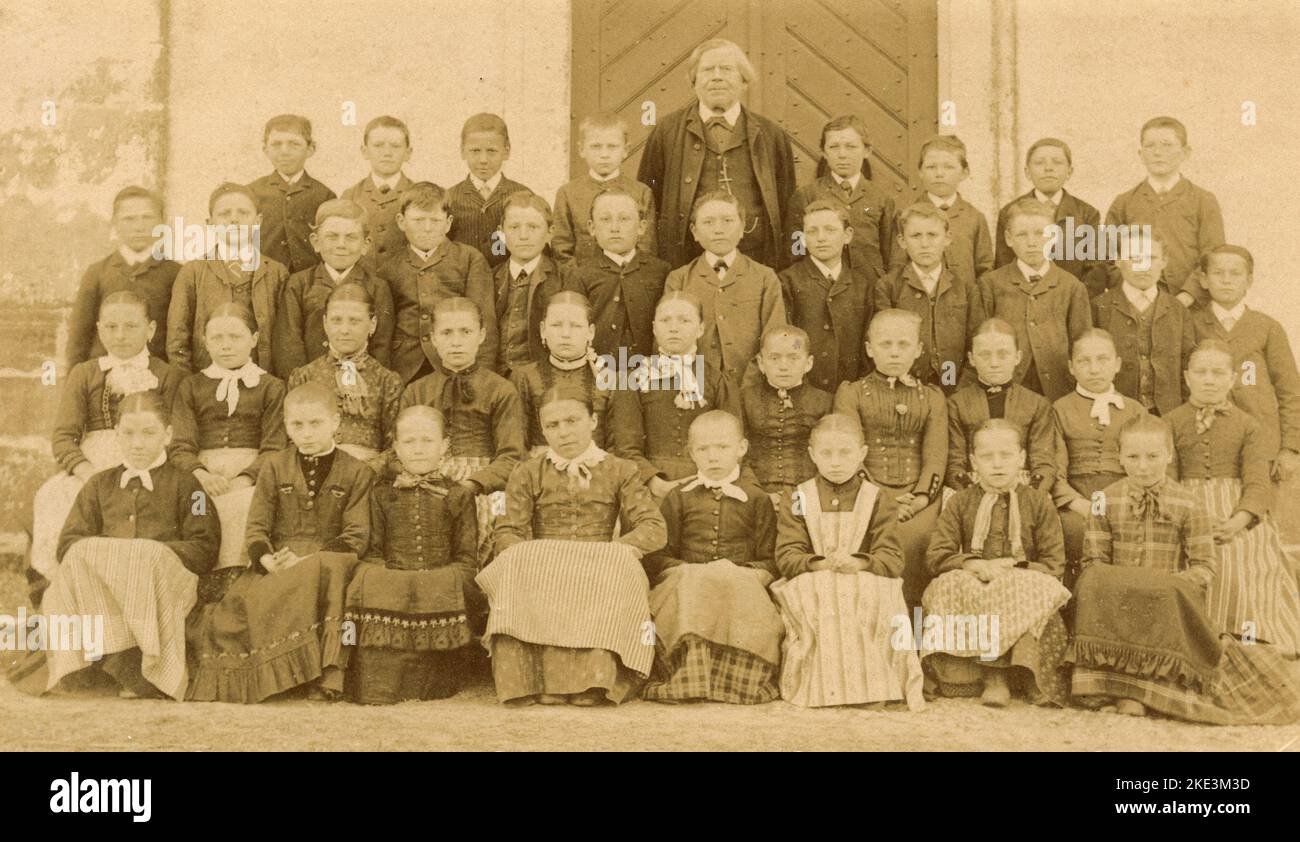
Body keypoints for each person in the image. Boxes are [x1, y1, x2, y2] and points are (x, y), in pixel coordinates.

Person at [1068, 415, 1300, 725]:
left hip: (1166, 606)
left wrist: (1165, 584)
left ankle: (1144, 691)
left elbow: (1204, 567)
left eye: (1152, 457)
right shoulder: (1104, 500)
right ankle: (1114, 684)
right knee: (1092, 583)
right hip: (1119, 603)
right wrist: (1130, 583)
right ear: (1120, 457)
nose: (1143, 466)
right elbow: (1094, 563)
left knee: (1166, 600)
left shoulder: (1189, 503)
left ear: (1168, 456)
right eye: (1133, 457)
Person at [13, 392, 219, 700]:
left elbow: (204, 546)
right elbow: (69, 543)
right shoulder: (99, 484)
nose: (138, 443)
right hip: (107, 591)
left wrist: (148, 553)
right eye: (129, 433)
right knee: (82, 555)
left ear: (168, 435)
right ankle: (94, 660)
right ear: (117, 435)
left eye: (149, 433)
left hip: (161, 587)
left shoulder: (189, 486)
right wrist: (115, 558)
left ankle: (140, 665)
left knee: (141, 556)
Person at [479, 385, 667, 705]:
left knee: (621, 567)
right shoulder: (527, 471)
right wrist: (533, 553)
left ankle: (593, 682)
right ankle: (536, 681)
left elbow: (654, 527)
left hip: (599, 561)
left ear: (593, 421)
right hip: (545, 562)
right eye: (553, 425)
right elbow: (508, 529)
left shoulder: (620, 469)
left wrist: (621, 549)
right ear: (542, 429)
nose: (563, 432)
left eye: (572, 421)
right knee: (514, 562)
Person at [187, 382, 374, 703]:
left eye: (316, 423)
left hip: (331, 560)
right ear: (286, 426)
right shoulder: (274, 466)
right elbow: (257, 527)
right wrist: (266, 559)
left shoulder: (358, 471)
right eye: (297, 424)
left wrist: (311, 559)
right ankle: (288, 677)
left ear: (335, 422)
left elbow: (356, 535)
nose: (307, 433)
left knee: (331, 569)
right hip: (280, 559)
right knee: (238, 612)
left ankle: (329, 676)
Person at [29, 291, 183, 591]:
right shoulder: (85, 373)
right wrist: (86, 472)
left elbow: (175, 433)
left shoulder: (167, 376)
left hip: (148, 458)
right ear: (99, 329)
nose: (120, 335)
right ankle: (67, 588)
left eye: (131, 326)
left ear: (150, 330)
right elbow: (63, 437)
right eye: (111, 327)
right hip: (94, 462)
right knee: (53, 496)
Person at [772, 413, 925, 709]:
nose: (836, 462)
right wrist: (819, 564)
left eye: (845, 453)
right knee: (825, 590)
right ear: (812, 455)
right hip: (814, 575)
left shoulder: (877, 497)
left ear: (862, 454)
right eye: (827, 453)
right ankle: (824, 687)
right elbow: (787, 554)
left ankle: (873, 685)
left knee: (868, 592)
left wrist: (860, 562)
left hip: (862, 574)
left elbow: (891, 558)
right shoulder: (799, 496)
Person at [923, 420, 1070, 706]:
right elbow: (938, 554)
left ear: (1022, 459)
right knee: (951, 584)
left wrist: (1014, 568)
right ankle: (991, 677)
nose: (997, 464)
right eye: (988, 457)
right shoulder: (960, 502)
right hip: (975, 576)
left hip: (1021, 577)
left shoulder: (1039, 502)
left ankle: (1026, 673)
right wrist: (972, 564)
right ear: (973, 462)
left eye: (1006, 455)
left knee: (1022, 586)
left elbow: (1054, 563)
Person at [1167, 340, 1300, 656]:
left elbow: (1257, 483)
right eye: (1201, 372)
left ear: (1232, 378)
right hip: (1188, 507)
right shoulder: (1171, 422)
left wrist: (1239, 520)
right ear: (1187, 378)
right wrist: (1193, 519)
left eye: (1218, 372)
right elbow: (1168, 479)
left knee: (1243, 552)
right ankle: (1202, 634)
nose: (1209, 380)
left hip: (1236, 509)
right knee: (1196, 555)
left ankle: (1250, 634)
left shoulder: (1249, 426)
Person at [343, 406, 483, 704]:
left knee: (447, 584)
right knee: (371, 579)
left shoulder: (459, 495)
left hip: (441, 584)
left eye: (427, 441)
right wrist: (397, 582)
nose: (418, 450)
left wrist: (436, 581)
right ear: (395, 447)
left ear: (445, 445)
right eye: (409, 442)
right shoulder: (380, 494)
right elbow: (375, 552)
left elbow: (466, 558)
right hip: (393, 582)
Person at [642, 411, 783, 704]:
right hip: (688, 583)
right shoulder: (678, 497)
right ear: (692, 453)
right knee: (694, 585)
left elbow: (770, 558)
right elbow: (659, 555)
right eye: (703, 449)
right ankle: (688, 676)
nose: (713, 457)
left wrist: (746, 572)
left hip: (739, 583)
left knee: (734, 585)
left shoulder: (756, 499)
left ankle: (735, 682)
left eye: (722, 447)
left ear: (741, 449)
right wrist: (689, 571)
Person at [637, 38, 796, 269]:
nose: (717, 76)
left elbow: (787, 204)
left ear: (744, 80)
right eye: (708, 70)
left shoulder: (772, 135)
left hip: (756, 260)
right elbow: (648, 201)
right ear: (694, 81)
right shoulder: (666, 132)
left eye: (727, 69)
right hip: (685, 260)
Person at [832, 309, 947, 605]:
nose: (894, 353)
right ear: (870, 349)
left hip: (918, 499)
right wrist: (881, 500)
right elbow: (850, 454)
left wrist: (921, 498)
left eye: (903, 344)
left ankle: (915, 631)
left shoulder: (933, 397)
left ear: (919, 349)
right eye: (885, 345)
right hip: (866, 495)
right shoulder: (852, 393)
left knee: (922, 537)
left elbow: (935, 456)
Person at [399, 297, 524, 564]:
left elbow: (511, 456)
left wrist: (473, 483)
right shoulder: (417, 390)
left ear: (481, 335)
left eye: (465, 332)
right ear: (432, 337)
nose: (456, 342)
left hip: (484, 484)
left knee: (496, 516)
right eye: (446, 333)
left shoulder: (500, 389)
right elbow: (401, 449)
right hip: (428, 476)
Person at [169, 303, 286, 570]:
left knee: (248, 506)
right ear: (205, 342)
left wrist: (244, 479)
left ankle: (235, 576)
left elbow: (274, 447)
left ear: (254, 339)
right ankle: (202, 576)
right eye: (217, 338)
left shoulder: (271, 386)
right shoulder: (191, 386)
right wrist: (202, 475)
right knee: (196, 507)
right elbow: (181, 447)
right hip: (201, 475)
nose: (226, 345)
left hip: (252, 474)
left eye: (235, 337)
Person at [610, 290, 739, 496]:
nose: (673, 328)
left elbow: (732, 442)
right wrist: (652, 481)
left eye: (684, 320)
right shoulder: (634, 380)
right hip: (649, 488)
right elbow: (626, 447)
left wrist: (707, 480)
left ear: (700, 329)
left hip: (708, 485)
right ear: (654, 328)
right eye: (665, 320)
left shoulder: (717, 380)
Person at [1190, 244, 1300, 477]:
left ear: (1249, 280)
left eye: (1235, 274)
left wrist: (1290, 447)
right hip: (1207, 442)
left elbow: (1290, 391)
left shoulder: (1267, 327)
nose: (1226, 281)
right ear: (1204, 279)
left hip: (1260, 442)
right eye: (1218, 274)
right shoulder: (1191, 324)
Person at [1052, 329, 1148, 576]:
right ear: (1072, 367)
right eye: (1084, 361)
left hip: (1127, 499)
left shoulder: (1135, 410)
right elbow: (1055, 470)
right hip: (1076, 501)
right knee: (1074, 531)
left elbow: (1145, 466)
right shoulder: (1059, 410)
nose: (1094, 369)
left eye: (1103, 360)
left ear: (1117, 364)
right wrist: (1080, 504)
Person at [663, 191, 787, 383]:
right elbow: (669, 341)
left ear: (742, 228)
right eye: (708, 222)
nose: (718, 229)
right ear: (694, 232)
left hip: (751, 387)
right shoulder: (679, 279)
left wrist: (749, 386)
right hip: (696, 387)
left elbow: (775, 339)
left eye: (727, 221)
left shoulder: (764, 277)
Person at [166, 182, 289, 376]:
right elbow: (177, 338)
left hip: (262, 384)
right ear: (210, 224)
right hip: (207, 384)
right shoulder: (193, 272)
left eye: (243, 213)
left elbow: (285, 339)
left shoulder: (276, 273)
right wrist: (188, 386)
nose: (234, 220)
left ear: (258, 221)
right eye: (224, 214)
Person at [383, 181, 498, 383]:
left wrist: (481, 376)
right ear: (401, 221)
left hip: (457, 366)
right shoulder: (389, 268)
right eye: (418, 220)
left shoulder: (469, 259)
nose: (427, 228)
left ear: (448, 222)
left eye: (435, 221)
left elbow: (484, 322)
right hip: (405, 368)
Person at [1104, 116, 1224, 305]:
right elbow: (1109, 256)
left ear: (1185, 153)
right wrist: (1135, 292)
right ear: (1140, 154)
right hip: (1135, 303)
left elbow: (1213, 256)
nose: (1158, 153)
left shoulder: (1203, 200)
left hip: (1188, 305)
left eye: (1167, 145)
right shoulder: (1124, 202)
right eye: (1150, 146)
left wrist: (1188, 295)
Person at [288, 282, 402, 475]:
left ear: (372, 324)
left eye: (354, 321)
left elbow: (395, 447)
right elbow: (291, 439)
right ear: (325, 323)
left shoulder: (387, 380)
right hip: (312, 473)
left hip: (367, 476)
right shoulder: (304, 376)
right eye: (336, 320)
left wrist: (363, 471)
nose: (344, 330)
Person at [876, 201, 986, 393]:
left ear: (947, 239)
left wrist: (961, 390)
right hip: (904, 388)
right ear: (902, 241)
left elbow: (975, 342)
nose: (925, 244)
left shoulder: (965, 288)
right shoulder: (889, 286)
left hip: (952, 384)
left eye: (932, 235)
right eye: (916, 236)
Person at [278, 198, 395, 371]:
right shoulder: (299, 283)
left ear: (365, 244)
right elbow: (290, 344)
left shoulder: (377, 288)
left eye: (351, 237)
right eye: (332, 236)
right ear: (316, 242)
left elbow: (382, 346)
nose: (341, 245)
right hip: (311, 385)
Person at [66, 186, 178, 365]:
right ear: (115, 224)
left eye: (147, 217)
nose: (139, 226)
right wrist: (75, 383)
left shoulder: (175, 273)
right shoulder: (97, 273)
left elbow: (179, 336)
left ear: (161, 223)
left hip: (155, 377)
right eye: (129, 219)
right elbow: (79, 336)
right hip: (103, 376)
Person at [1090, 227, 1193, 415]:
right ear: (1118, 261)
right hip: (1115, 412)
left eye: (1151, 258)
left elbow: (1188, 366)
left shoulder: (1178, 311)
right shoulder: (1098, 308)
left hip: (1168, 414)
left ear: (1164, 262)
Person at [946, 319, 1056, 494]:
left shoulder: (1037, 404)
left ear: (1017, 357)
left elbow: (1044, 463)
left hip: (1024, 487)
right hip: (971, 487)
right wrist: (971, 494)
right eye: (985, 355)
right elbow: (954, 462)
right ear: (972, 359)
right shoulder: (956, 404)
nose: (994, 363)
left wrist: (1030, 494)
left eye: (1003, 354)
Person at [561, 186, 670, 360]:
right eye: (605, 219)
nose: (614, 228)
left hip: (649, 369)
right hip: (599, 369)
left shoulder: (661, 271)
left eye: (624, 219)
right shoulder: (580, 275)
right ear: (592, 227)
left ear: (641, 227)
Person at [778, 198, 875, 392]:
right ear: (803, 238)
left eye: (830, 230)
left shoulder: (862, 285)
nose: (820, 238)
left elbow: (868, 345)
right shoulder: (788, 281)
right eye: (812, 231)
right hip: (803, 390)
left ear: (847, 235)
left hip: (850, 391)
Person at [784, 114, 896, 280]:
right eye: (834, 147)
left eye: (851, 147)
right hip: (821, 284)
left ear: (867, 151)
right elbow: (796, 249)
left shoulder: (881, 199)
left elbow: (890, 254)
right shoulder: (807, 195)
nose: (842, 154)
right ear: (824, 152)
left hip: (870, 286)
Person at [993, 137, 1107, 297]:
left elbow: (1096, 271)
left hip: (1072, 302)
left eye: (1057, 162)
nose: (1048, 168)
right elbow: (1003, 266)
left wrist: (1074, 302)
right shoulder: (1010, 212)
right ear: (1027, 172)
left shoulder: (1087, 213)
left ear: (1069, 171)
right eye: (1039, 163)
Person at [510, 292, 614, 454]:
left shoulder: (609, 378)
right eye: (557, 325)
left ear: (590, 332)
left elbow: (616, 445)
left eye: (576, 326)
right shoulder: (524, 377)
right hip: (539, 472)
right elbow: (517, 444)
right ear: (543, 330)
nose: (566, 334)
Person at [740, 326, 832, 503]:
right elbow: (737, 453)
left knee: (796, 526)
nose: (783, 366)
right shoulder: (745, 399)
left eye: (793, 358)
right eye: (774, 358)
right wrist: (757, 493)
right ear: (761, 363)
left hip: (808, 495)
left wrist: (805, 495)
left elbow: (828, 456)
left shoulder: (824, 401)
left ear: (808, 363)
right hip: (755, 494)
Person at [552, 113, 657, 262]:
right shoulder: (568, 193)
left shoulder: (641, 192)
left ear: (626, 150)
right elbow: (561, 247)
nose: (604, 154)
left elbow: (647, 246)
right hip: (583, 280)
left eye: (612, 146)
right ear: (582, 150)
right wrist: (578, 278)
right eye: (596, 146)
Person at [892, 135, 992, 284]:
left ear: (964, 172)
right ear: (920, 172)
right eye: (931, 167)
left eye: (948, 167)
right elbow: (897, 266)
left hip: (965, 302)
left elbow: (985, 269)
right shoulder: (905, 215)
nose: (939, 174)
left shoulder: (974, 217)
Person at [247, 114, 336, 274]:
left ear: (310, 149)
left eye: (294, 144)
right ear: (265, 150)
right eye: (276, 144)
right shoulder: (252, 192)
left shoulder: (324, 195)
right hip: (263, 278)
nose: (284, 152)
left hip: (309, 281)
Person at [493, 191, 569, 373]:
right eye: (514, 227)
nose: (523, 236)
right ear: (501, 233)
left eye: (533, 227)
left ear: (550, 232)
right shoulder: (490, 278)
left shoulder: (563, 278)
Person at [446, 113, 533, 268]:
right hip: (464, 284)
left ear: (506, 151)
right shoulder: (450, 197)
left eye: (492, 151)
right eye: (475, 151)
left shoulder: (523, 195)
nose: (483, 160)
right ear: (462, 151)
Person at [340, 115, 416, 269]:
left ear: (408, 152)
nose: (387, 153)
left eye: (395, 146)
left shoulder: (418, 194)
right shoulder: (350, 196)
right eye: (378, 145)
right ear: (365, 151)